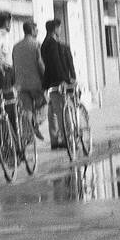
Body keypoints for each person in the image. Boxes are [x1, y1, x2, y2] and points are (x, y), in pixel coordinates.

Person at [41, 19, 77, 150]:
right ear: (55, 29)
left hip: (50, 83)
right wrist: (64, 80)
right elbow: (56, 64)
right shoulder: (53, 44)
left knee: (53, 112)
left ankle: (55, 139)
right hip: (57, 83)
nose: (60, 30)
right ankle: (67, 138)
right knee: (63, 112)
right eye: (59, 28)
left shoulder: (45, 44)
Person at [10, 19, 46, 141]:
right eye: (36, 29)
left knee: (27, 109)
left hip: (20, 84)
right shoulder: (36, 44)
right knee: (43, 106)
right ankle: (35, 125)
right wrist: (45, 77)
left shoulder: (16, 47)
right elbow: (40, 63)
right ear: (31, 30)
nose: (37, 31)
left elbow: (13, 66)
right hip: (35, 83)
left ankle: (28, 135)